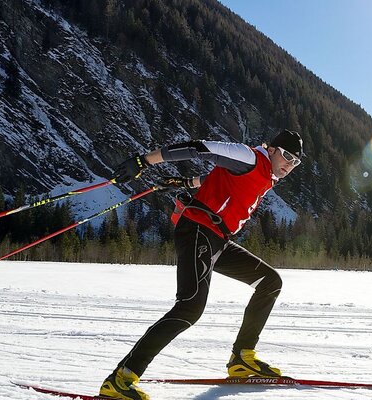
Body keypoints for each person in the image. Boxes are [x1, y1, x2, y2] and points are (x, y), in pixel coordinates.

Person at [98, 130, 306, 400]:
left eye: (296, 162)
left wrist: (184, 182)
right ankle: (121, 379)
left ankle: (242, 359)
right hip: (198, 230)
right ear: (272, 149)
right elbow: (198, 148)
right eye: (287, 156)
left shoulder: (266, 176)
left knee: (270, 283)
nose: (289, 165)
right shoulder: (250, 158)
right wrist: (145, 161)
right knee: (190, 306)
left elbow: (215, 178)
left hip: (217, 239)